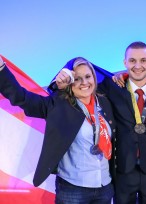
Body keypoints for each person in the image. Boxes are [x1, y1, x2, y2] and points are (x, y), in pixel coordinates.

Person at [51, 42, 146, 204]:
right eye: (132, 61)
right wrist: (65, 75)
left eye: (143, 60)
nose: (138, 65)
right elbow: (83, 86)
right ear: (124, 63)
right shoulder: (111, 87)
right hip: (122, 169)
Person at [0, 56, 116, 204]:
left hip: (104, 187)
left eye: (88, 76)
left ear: (94, 77)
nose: (84, 82)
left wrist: (120, 76)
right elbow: (21, 97)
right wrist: (1, 69)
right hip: (73, 190)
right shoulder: (58, 105)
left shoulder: (105, 103)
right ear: (69, 82)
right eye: (77, 79)